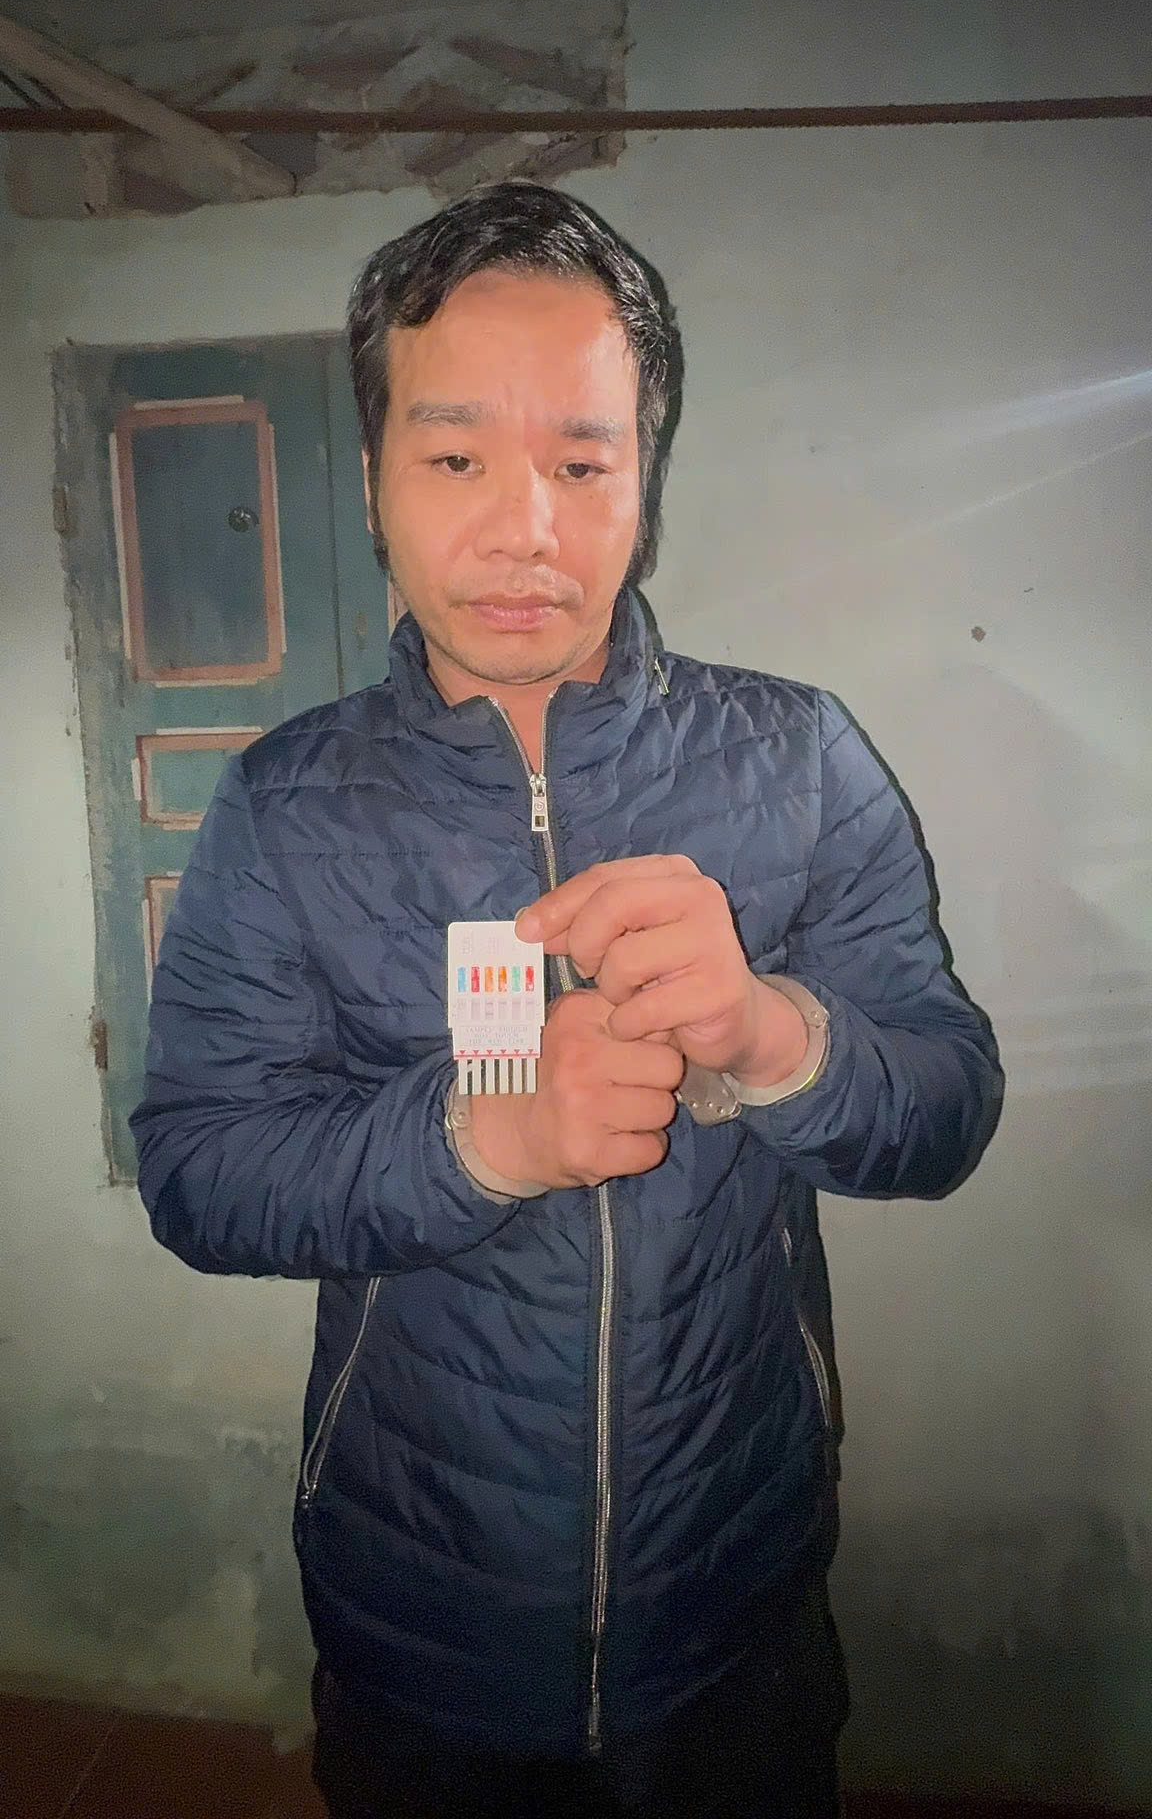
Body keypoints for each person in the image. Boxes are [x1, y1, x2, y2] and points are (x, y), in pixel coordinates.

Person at [133, 182, 1003, 1819]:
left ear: (644, 486)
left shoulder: (803, 756)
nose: (523, 528)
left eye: (584, 464)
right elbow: (199, 1172)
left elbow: (947, 1110)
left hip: (730, 1595)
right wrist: (481, 1141)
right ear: (375, 477)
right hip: (422, 1607)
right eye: (455, 457)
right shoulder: (286, 803)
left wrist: (771, 1038)